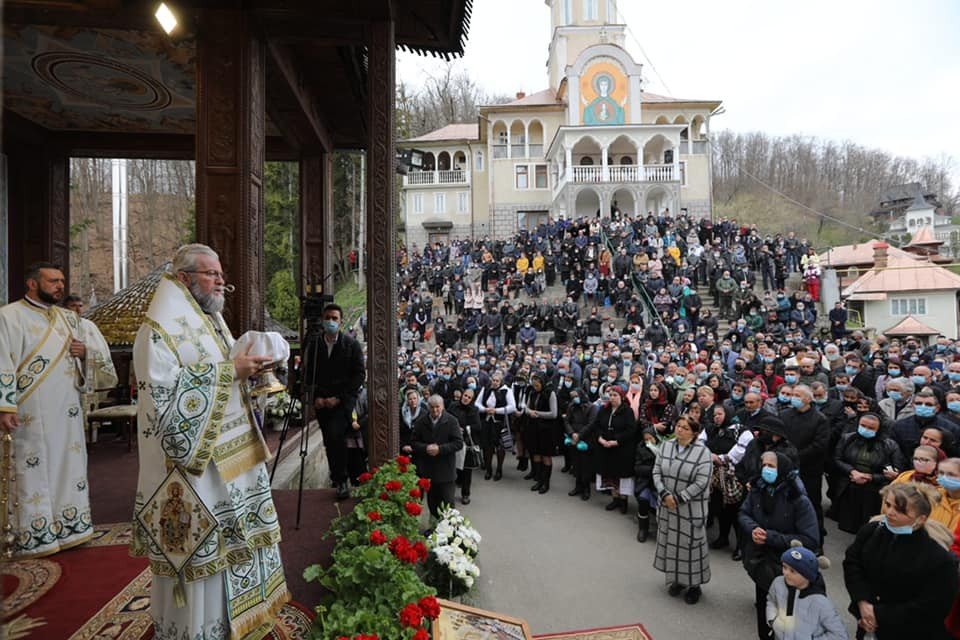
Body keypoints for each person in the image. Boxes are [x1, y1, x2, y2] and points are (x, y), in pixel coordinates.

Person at [132, 244, 289, 638]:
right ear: (184, 279)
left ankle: (235, 618)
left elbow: (225, 378)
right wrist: (229, 372)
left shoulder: (212, 322)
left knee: (234, 543)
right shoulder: (157, 331)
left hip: (229, 460)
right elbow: (164, 402)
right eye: (211, 274)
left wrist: (249, 375)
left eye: (220, 274)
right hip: (191, 471)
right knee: (205, 552)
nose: (221, 282)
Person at [0, 263, 104, 557]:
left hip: (66, 412)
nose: (60, 285)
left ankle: (72, 527)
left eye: (61, 280)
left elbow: (95, 357)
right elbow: (2, 361)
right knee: (32, 468)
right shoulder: (8, 317)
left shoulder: (70, 320)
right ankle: (37, 534)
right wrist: (4, 405)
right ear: (33, 284)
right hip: (29, 411)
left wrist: (86, 354)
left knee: (67, 466)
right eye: (53, 281)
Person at [843, 483, 957, 640]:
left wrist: (878, 615)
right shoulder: (871, 531)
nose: (890, 512)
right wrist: (863, 603)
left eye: (900, 510)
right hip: (866, 624)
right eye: (888, 505)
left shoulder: (940, 558)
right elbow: (853, 563)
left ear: (921, 518)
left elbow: (933, 606)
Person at [738, 452, 819, 639]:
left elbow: (810, 539)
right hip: (761, 565)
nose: (766, 469)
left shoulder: (798, 499)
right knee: (764, 618)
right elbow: (744, 513)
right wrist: (754, 529)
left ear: (783, 469)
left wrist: (771, 538)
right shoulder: (758, 490)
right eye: (764, 465)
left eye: (772, 466)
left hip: (790, 571)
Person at [653, 415, 713, 605]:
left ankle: (695, 586)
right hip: (667, 506)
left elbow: (702, 481)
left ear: (694, 432)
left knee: (691, 547)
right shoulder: (667, 446)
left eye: (685, 428)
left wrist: (679, 498)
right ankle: (678, 580)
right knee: (673, 544)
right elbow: (656, 472)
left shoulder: (702, 452)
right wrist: (664, 494)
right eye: (678, 426)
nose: (679, 430)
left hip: (690, 509)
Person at [311, 303, 366, 500]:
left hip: (342, 402)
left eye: (335, 318)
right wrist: (316, 397)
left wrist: (339, 398)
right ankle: (339, 477)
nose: (331, 322)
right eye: (328, 318)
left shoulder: (351, 345)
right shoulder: (315, 345)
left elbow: (359, 375)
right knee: (329, 439)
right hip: (321, 402)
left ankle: (342, 479)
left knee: (336, 436)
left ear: (341, 321)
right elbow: (308, 374)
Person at [831, 412, 904, 533]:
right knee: (848, 524)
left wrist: (871, 477)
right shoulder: (847, 438)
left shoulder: (889, 445)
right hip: (850, 484)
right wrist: (852, 472)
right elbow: (837, 459)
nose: (866, 430)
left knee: (869, 526)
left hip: (874, 489)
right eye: (863, 425)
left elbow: (897, 472)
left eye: (871, 428)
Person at [766, 545, 847, 640]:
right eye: (784, 567)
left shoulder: (820, 602)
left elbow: (839, 635)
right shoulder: (778, 583)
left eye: (793, 571)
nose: (786, 573)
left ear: (807, 575)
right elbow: (771, 600)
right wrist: (772, 619)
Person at [578, 384, 637, 512]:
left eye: (615, 395)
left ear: (621, 397)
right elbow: (597, 425)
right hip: (605, 447)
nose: (612, 398)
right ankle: (614, 499)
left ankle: (623, 501)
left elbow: (631, 430)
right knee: (610, 475)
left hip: (621, 449)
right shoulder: (604, 410)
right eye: (610, 395)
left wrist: (616, 441)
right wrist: (600, 438)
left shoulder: (627, 411)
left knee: (620, 475)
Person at [63, 293, 119, 418]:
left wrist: (86, 354)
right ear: (64, 308)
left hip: (86, 377)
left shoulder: (89, 326)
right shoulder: (58, 326)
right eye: (73, 306)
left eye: (80, 306)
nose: (78, 309)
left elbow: (102, 353)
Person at [411, 395, 464, 518]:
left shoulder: (452, 421)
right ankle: (434, 529)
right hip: (429, 470)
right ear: (427, 407)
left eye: (437, 407)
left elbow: (458, 443)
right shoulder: (421, 422)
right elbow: (414, 442)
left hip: (446, 471)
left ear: (443, 406)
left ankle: (450, 532)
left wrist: (440, 449)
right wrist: (426, 448)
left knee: (448, 504)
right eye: (432, 407)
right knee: (433, 503)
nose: (435, 410)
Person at [475, 371, 515, 481]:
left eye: (497, 380)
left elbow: (512, 407)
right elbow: (477, 404)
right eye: (493, 380)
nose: (495, 382)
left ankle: (499, 469)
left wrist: (496, 411)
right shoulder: (486, 389)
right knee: (487, 447)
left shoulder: (507, 390)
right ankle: (488, 469)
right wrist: (485, 409)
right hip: (487, 422)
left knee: (500, 447)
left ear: (501, 381)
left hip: (500, 422)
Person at [525, 372, 559, 494]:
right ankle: (539, 480)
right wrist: (529, 412)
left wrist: (537, 413)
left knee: (546, 456)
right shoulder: (532, 392)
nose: (535, 387)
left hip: (546, 430)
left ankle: (546, 483)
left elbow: (554, 413)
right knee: (536, 454)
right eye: (534, 385)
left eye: (537, 385)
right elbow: (526, 407)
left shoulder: (550, 393)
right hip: (533, 428)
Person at [449, 387, 481, 505]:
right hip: (453, 441)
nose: (466, 398)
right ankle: (449, 494)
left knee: (467, 470)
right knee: (452, 468)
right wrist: (455, 428)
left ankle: (465, 494)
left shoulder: (474, 410)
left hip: (466, 443)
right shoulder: (453, 405)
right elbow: (447, 418)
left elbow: (478, 426)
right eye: (465, 395)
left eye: (469, 397)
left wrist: (466, 428)